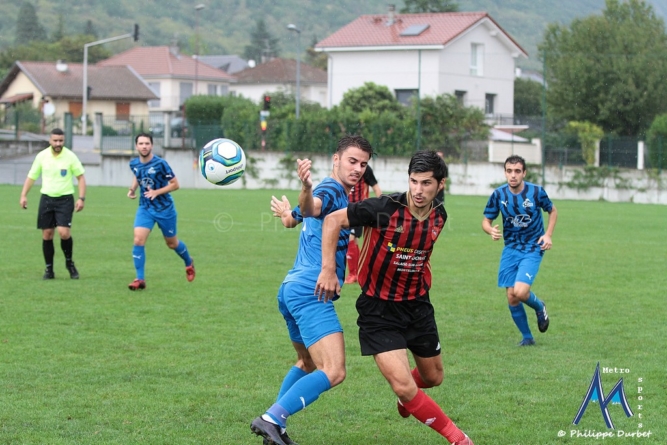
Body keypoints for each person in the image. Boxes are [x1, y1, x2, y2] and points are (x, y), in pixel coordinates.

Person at [316, 151, 474, 445]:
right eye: (413, 181)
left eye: (426, 183)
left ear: (440, 185)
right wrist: (328, 269)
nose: (418, 190)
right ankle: (458, 438)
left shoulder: (440, 214)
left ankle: (410, 401)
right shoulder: (384, 208)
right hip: (379, 311)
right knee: (402, 385)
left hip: (418, 306)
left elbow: (420, 253)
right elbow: (332, 220)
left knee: (433, 378)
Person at [250, 135, 374, 445]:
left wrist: (285, 212)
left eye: (363, 164)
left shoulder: (339, 193)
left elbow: (293, 220)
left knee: (307, 363)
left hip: (290, 289)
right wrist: (306, 189)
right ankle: (271, 419)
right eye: (352, 161)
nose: (358, 168)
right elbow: (312, 205)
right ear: (336, 159)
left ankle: (274, 428)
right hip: (311, 291)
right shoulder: (330, 189)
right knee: (334, 370)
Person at [482, 155, 558, 346]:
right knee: (511, 296)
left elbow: (553, 210)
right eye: (509, 171)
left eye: (517, 171)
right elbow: (486, 220)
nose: (513, 175)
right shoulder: (499, 195)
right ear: (505, 172)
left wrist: (547, 235)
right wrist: (490, 230)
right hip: (511, 249)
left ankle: (540, 306)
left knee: (521, 292)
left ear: (524, 173)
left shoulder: (536, 192)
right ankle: (527, 337)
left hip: (533, 247)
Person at [127, 133, 195, 290]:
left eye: (147, 143)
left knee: (171, 244)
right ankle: (140, 279)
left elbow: (175, 184)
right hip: (145, 207)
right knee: (138, 239)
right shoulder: (134, 164)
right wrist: (132, 189)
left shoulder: (160, 164)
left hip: (165, 209)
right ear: (136, 146)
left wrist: (156, 192)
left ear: (151, 145)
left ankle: (188, 261)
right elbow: (138, 176)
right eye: (141, 143)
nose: (144, 146)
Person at [19, 128, 86, 280]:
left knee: (64, 232)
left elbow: (81, 178)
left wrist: (81, 198)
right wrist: (23, 195)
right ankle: (49, 270)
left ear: (64, 141)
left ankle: (69, 263)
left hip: (65, 199)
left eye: (61, 141)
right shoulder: (42, 156)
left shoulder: (70, 156)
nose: (58, 143)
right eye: (55, 140)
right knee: (47, 234)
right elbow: (32, 176)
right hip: (47, 199)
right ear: (50, 140)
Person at [345, 163, 382, 284]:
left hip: (360, 209)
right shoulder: (343, 167)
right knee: (349, 241)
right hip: (344, 209)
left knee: (351, 238)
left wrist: (383, 208)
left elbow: (376, 187)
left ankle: (353, 274)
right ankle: (359, 271)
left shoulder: (365, 169)